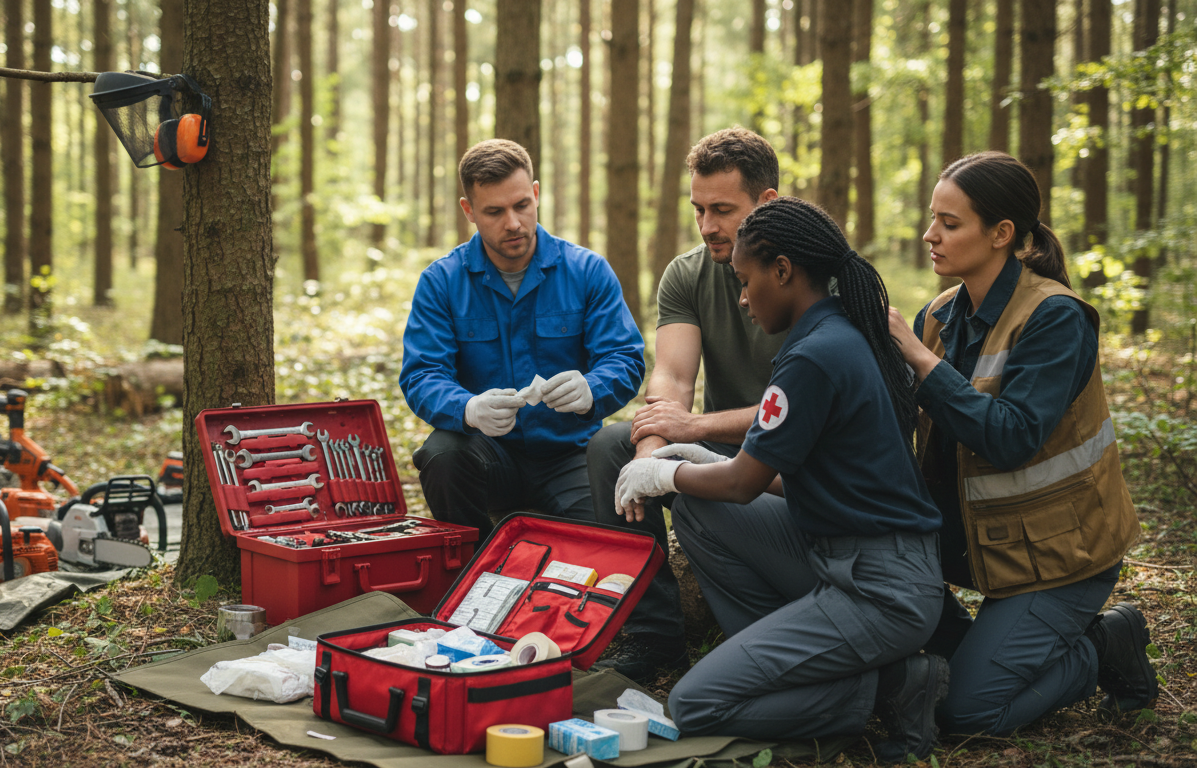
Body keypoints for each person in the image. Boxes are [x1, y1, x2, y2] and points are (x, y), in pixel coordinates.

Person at [616, 198, 948, 760]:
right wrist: (696, 462)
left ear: (784, 271)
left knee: (694, 704)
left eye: (746, 282)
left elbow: (743, 484)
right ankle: (798, 661)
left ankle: (885, 689)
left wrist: (664, 472)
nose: (742, 298)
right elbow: (795, 481)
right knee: (701, 507)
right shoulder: (836, 331)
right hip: (849, 558)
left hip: (880, 589)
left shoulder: (813, 357)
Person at [887, 151, 1157, 736]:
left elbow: (1010, 438)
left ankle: (1103, 645)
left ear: (1001, 234)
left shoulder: (1056, 317)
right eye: (932, 218)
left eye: (950, 223)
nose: (929, 235)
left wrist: (917, 357)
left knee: (966, 713)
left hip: (1062, 560)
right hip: (983, 551)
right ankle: (997, 649)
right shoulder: (939, 315)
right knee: (885, 622)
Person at [586, 127, 787, 684]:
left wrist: (692, 426)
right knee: (611, 447)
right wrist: (648, 458)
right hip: (722, 442)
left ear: (766, 203)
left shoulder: (813, 273)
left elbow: (801, 405)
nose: (707, 226)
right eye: (698, 209)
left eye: (722, 210)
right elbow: (673, 376)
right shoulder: (687, 273)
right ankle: (654, 636)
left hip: (795, 448)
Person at [399, 139, 645, 543]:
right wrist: (468, 409)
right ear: (469, 211)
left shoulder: (586, 271)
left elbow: (625, 357)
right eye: (494, 212)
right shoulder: (442, 282)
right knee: (442, 453)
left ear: (535, 194)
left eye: (521, 206)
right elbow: (422, 374)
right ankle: (470, 570)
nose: (512, 223)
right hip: (487, 456)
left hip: (571, 454)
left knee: (612, 535)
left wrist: (592, 389)